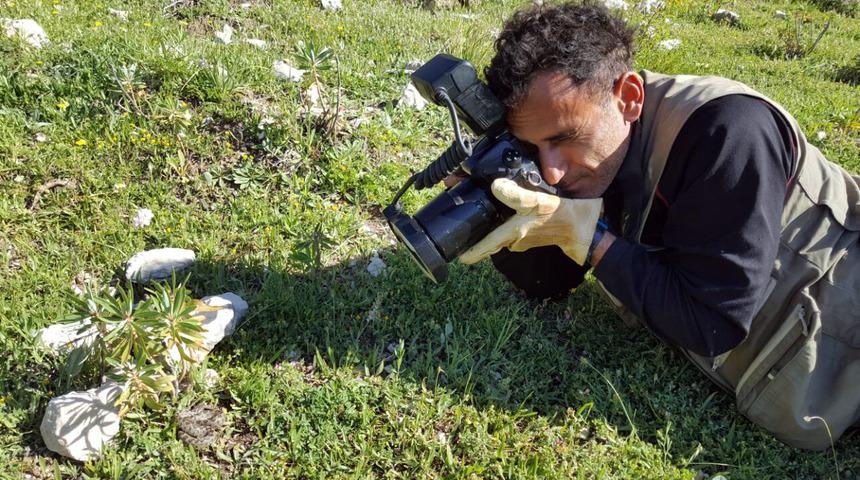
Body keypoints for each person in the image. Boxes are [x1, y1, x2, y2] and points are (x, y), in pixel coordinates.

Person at [454, 2, 860, 450]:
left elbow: (712, 326)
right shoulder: (585, 154)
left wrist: (591, 240)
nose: (551, 172)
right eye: (535, 147)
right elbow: (545, 281)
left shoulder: (727, 131)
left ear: (628, 97)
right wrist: (508, 200)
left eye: (564, 139)